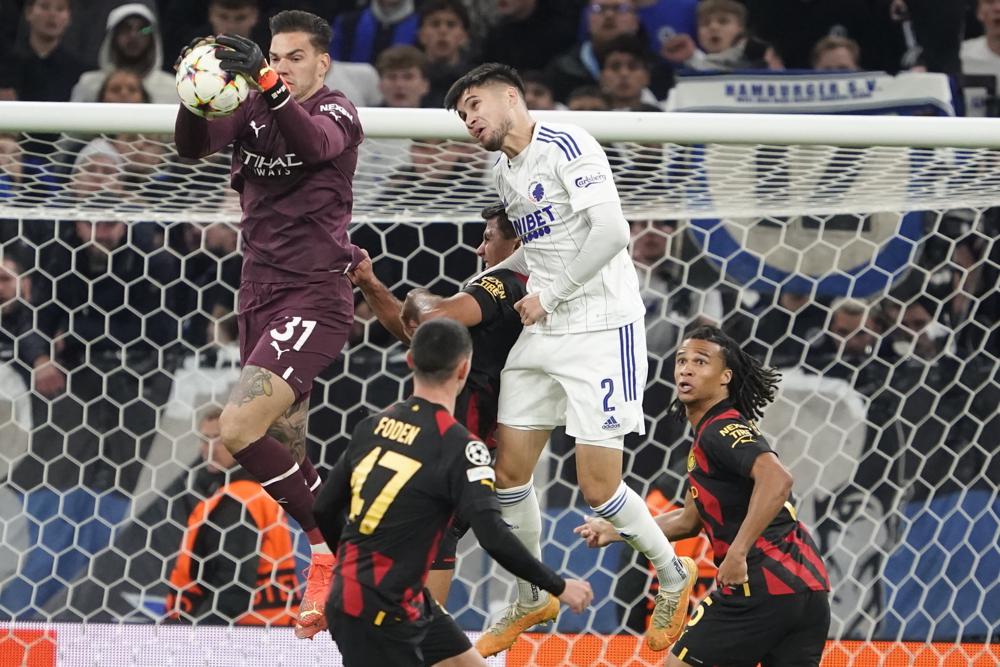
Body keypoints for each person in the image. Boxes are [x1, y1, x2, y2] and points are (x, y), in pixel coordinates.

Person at [445, 63, 698, 657]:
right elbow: (537, 252)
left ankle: (672, 574)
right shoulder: (505, 170)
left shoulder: (567, 142)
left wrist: (548, 295)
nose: (471, 119)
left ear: (513, 96)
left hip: (601, 328)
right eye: (462, 115)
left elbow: (612, 233)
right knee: (507, 472)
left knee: (598, 487)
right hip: (547, 327)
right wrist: (481, 283)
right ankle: (534, 593)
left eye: (476, 104)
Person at [173, 9, 365, 640]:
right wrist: (193, 90)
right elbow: (191, 145)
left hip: (314, 294)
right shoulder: (253, 107)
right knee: (287, 449)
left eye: (292, 58)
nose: (279, 67)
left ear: (321, 63)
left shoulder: (339, 112)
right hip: (255, 294)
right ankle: (338, 560)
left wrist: (266, 82)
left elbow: (310, 145)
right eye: (274, 57)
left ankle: (332, 550)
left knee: (236, 428)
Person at [312, 319, 593, 667]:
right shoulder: (461, 447)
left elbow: (324, 507)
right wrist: (558, 586)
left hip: (390, 597)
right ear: (464, 368)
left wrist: (356, 568)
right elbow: (492, 535)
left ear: (410, 359)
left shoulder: (372, 427)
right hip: (379, 612)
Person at [576, 325, 832, 667]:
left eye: (701, 361)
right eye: (681, 360)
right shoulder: (711, 437)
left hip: (759, 584)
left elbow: (778, 480)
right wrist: (615, 531)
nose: (686, 368)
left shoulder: (721, 429)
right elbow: (688, 521)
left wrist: (738, 553)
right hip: (807, 587)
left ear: (725, 377)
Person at [347, 203, 525, 604]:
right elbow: (419, 336)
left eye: (488, 239)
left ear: (516, 242)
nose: (480, 250)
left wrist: (417, 297)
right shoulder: (511, 292)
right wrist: (370, 284)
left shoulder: (502, 284)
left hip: (462, 451)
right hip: (461, 448)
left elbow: (428, 320)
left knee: (427, 554)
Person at [165, 406, 300, 626]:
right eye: (204, 439)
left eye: (218, 439)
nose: (209, 449)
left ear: (241, 442)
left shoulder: (237, 500)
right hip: (269, 628)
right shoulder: (250, 493)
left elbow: (234, 588)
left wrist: (196, 639)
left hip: (243, 636)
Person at [70, 3, 176, 103]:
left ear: (153, 38)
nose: (134, 36)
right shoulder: (89, 84)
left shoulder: (171, 88)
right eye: (126, 29)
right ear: (112, 36)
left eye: (144, 29)